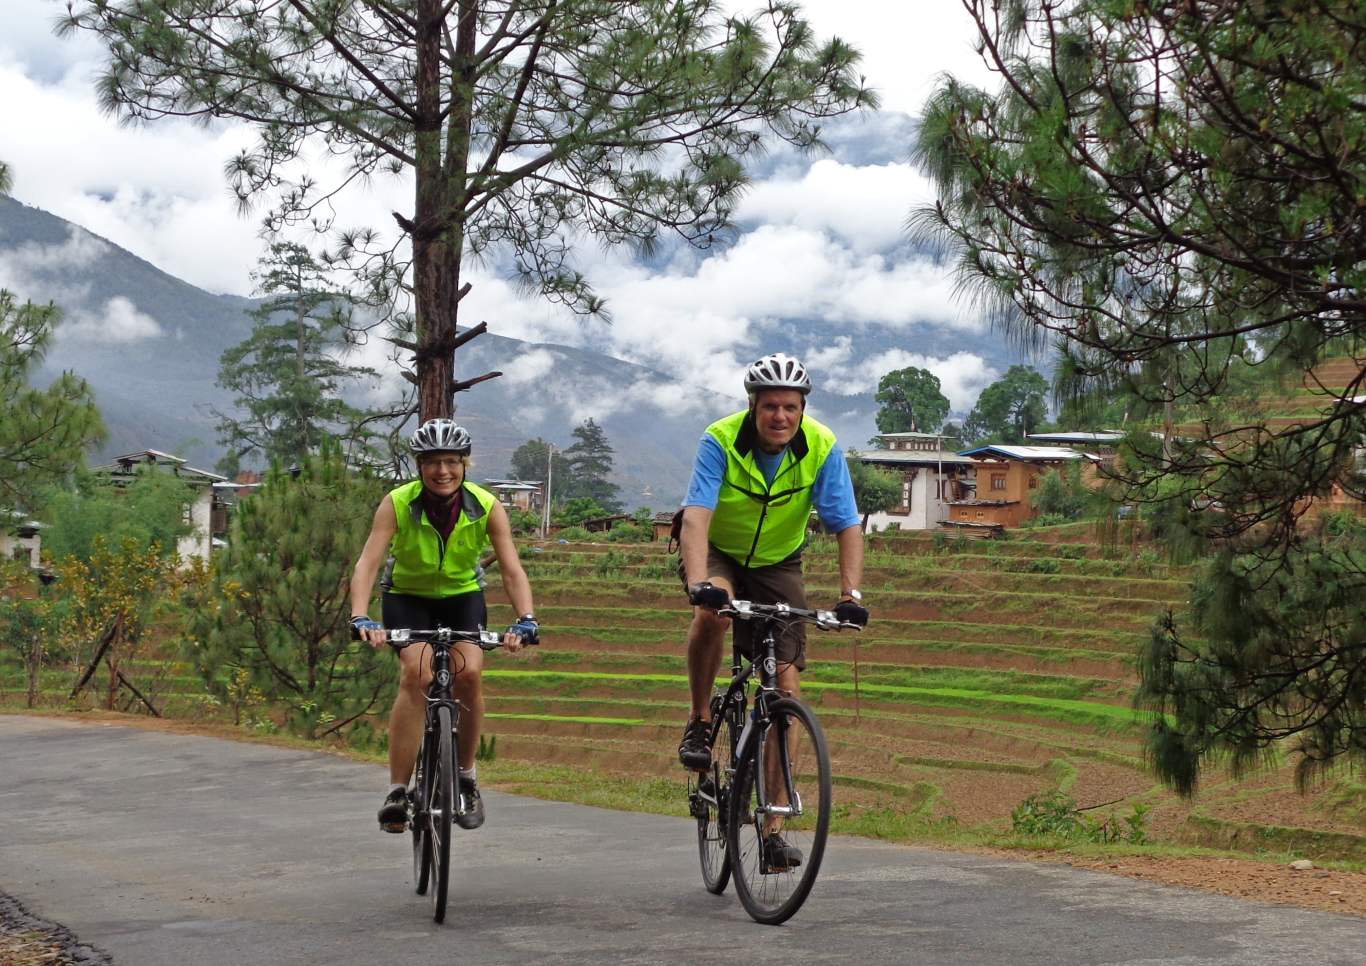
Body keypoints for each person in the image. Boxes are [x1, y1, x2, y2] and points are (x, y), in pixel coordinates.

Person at [676, 352, 869, 869]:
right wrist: (699, 583)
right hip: (719, 551)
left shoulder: (822, 446)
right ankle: (698, 719)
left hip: (780, 560)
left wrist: (851, 596)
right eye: (770, 407)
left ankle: (773, 829)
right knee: (712, 614)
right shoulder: (719, 439)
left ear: (803, 409)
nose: (780, 416)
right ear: (753, 407)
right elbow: (696, 516)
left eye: (790, 407)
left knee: (785, 690)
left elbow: (846, 523)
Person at [350, 418, 539, 833]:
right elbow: (368, 562)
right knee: (416, 675)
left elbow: (511, 569)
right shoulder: (397, 502)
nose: (442, 471)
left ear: (464, 464)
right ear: (419, 466)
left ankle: (466, 778)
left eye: (451, 461)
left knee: (469, 673)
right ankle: (398, 790)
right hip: (407, 597)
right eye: (433, 462)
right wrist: (361, 615)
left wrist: (525, 619)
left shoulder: (487, 505)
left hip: (461, 597)